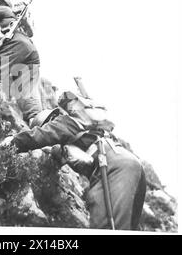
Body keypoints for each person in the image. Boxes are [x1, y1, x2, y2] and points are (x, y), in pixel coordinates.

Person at [9, 92, 147, 230]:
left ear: (50, 120)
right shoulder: (83, 131)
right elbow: (57, 155)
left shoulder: (65, 122)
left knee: (105, 227)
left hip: (113, 168)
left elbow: (37, 137)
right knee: (127, 228)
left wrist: (10, 144)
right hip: (130, 165)